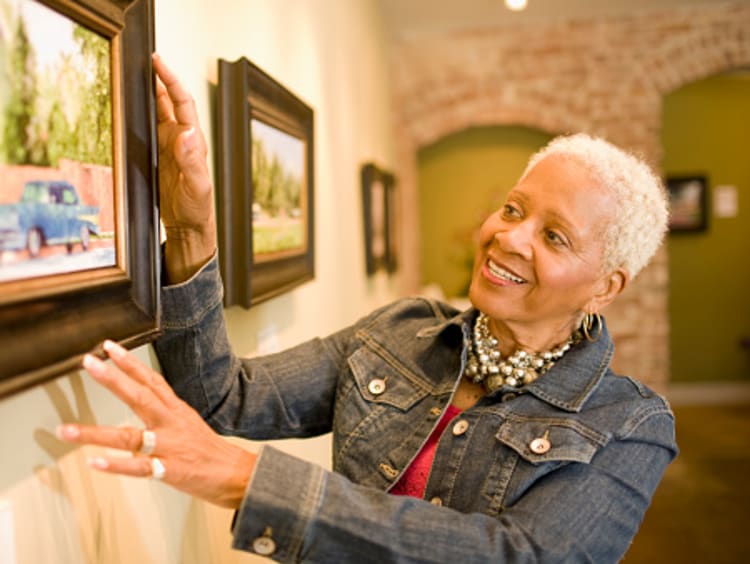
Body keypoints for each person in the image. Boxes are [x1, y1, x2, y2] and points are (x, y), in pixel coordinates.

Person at [56, 54, 677, 563]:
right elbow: (223, 395)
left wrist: (250, 480)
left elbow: (523, 556)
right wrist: (190, 228)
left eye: (554, 236)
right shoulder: (399, 332)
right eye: (513, 210)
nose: (509, 237)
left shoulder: (629, 423)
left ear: (606, 288)